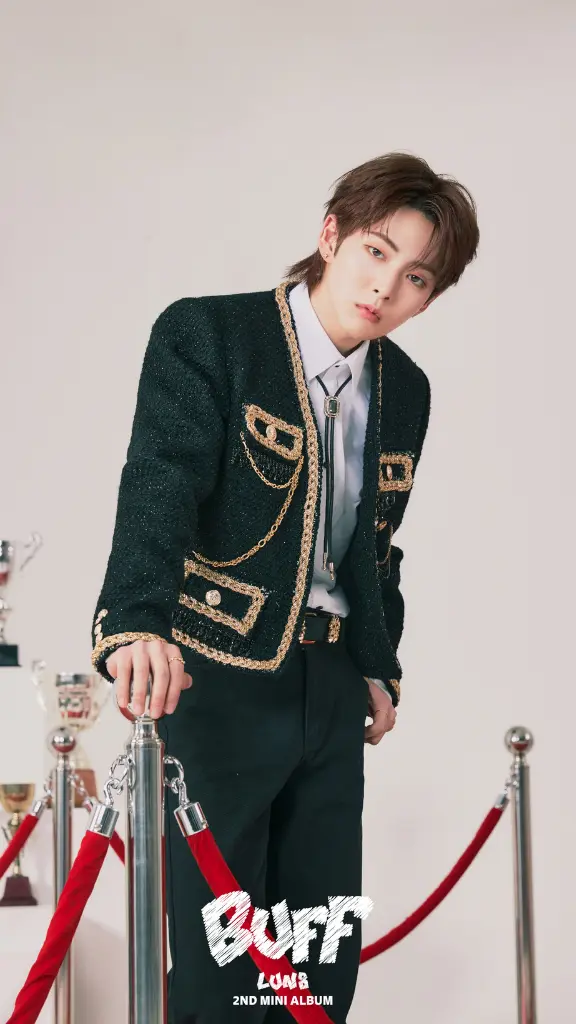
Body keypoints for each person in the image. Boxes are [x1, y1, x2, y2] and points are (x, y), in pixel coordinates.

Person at [91, 151, 479, 1023]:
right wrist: (135, 621)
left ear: (429, 298)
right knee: (224, 975)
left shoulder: (406, 390)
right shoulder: (211, 334)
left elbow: (377, 546)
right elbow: (159, 483)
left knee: (319, 971)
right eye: (376, 252)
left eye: (416, 277)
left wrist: (378, 662)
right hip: (217, 677)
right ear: (331, 234)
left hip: (332, 692)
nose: (386, 287)